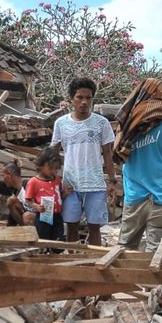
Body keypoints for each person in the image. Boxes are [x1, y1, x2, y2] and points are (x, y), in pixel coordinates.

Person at [115, 78, 162, 252]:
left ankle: (126, 280)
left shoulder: (127, 127)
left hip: (134, 198)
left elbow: (119, 155)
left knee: (125, 250)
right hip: (161, 197)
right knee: (156, 253)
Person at [52, 77, 118, 246]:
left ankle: (95, 265)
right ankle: (73, 262)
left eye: (88, 98)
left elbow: (108, 154)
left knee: (94, 227)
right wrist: (52, 182)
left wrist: (111, 181)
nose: (84, 102)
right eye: (80, 97)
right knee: (72, 226)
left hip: (95, 184)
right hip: (70, 185)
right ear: (71, 99)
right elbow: (52, 153)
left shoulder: (101, 123)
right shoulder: (61, 124)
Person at [25, 147, 65, 241]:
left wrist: (65, 193)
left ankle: (56, 254)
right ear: (41, 165)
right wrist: (36, 206)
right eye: (51, 168)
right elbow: (28, 200)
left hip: (57, 216)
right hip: (43, 216)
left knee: (58, 239)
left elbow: (59, 196)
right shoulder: (33, 182)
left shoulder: (57, 180)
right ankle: (46, 254)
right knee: (44, 239)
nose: (54, 171)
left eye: (56, 169)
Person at [1, 160, 31, 226]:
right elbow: (11, 219)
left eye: (3, 175)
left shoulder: (29, 184)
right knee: (11, 200)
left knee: (27, 216)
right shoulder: (15, 192)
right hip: (28, 220)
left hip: (39, 221)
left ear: (9, 174)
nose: (3, 179)